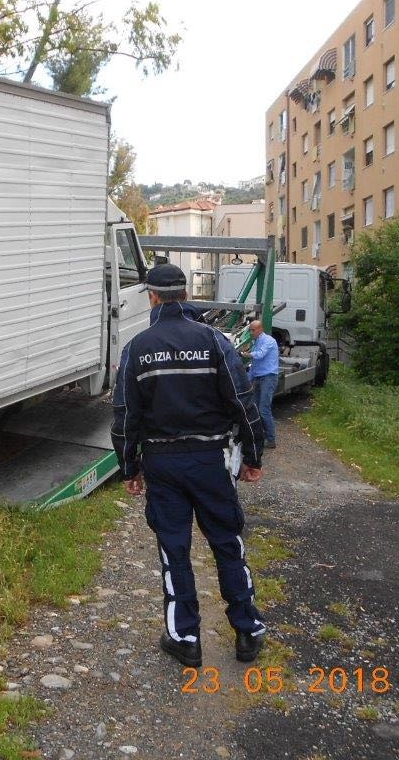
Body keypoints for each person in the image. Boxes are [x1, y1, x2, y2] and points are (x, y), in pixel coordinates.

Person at [111, 263, 267, 668]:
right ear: (185, 295)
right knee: (227, 543)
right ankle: (247, 631)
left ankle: (186, 639)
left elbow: (125, 415)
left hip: (162, 463)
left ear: (152, 297)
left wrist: (129, 468)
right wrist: (253, 456)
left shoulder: (137, 348)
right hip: (211, 460)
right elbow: (243, 402)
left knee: (174, 549)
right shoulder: (214, 341)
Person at [242, 320, 279, 449]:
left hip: (268, 377)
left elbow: (260, 355)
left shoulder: (269, 341)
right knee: (256, 409)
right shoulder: (256, 342)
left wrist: (248, 354)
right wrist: (248, 380)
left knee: (264, 409)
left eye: (253, 330)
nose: (251, 333)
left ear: (259, 329)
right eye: (250, 330)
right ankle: (260, 436)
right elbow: (255, 365)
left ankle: (271, 439)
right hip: (258, 377)